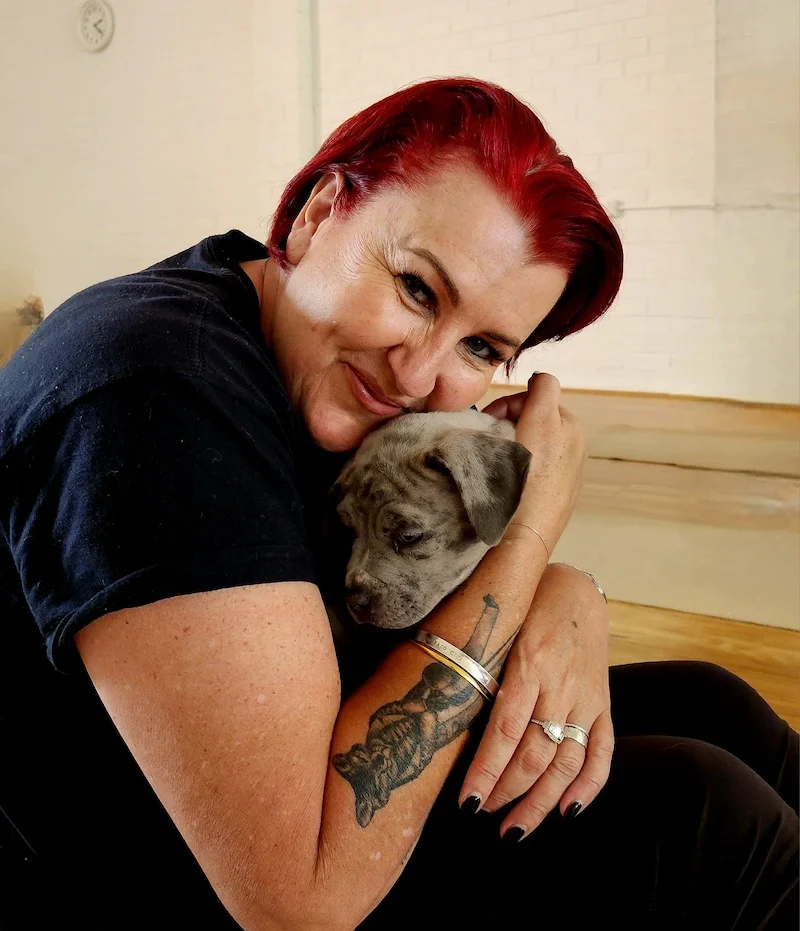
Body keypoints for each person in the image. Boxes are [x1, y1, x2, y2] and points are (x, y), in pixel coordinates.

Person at [0, 77, 796, 931]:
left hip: (297, 770)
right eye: (418, 288)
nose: (419, 376)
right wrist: (530, 533)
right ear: (318, 213)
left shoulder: (270, 330)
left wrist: (569, 594)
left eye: (483, 345)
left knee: (713, 703)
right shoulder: (156, 391)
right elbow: (300, 903)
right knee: (705, 818)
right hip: (182, 880)